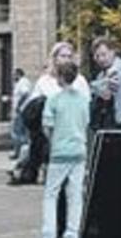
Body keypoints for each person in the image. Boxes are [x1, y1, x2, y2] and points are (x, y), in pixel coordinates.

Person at [11, 42, 90, 185]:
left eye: (69, 56)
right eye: (62, 56)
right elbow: (34, 104)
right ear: (55, 58)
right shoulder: (44, 81)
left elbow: (85, 102)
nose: (66, 59)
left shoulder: (79, 80)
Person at [39, 58, 89, 238]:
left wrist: (54, 141)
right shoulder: (83, 100)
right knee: (75, 195)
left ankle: (49, 231)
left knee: (51, 193)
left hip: (59, 153)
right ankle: (72, 231)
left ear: (60, 77)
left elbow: (47, 126)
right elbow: (85, 123)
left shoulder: (53, 100)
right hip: (78, 152)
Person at [7, 68, 32, 160]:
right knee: (18, 132)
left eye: (14, 75)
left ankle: (20, 153)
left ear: (18, 74)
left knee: (18, 132)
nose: (13, 77)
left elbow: (25, 93)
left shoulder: (23, 82)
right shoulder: (19, 83)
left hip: (21, 112)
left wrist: (19, 106)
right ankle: (19, 152)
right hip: (19, 111)